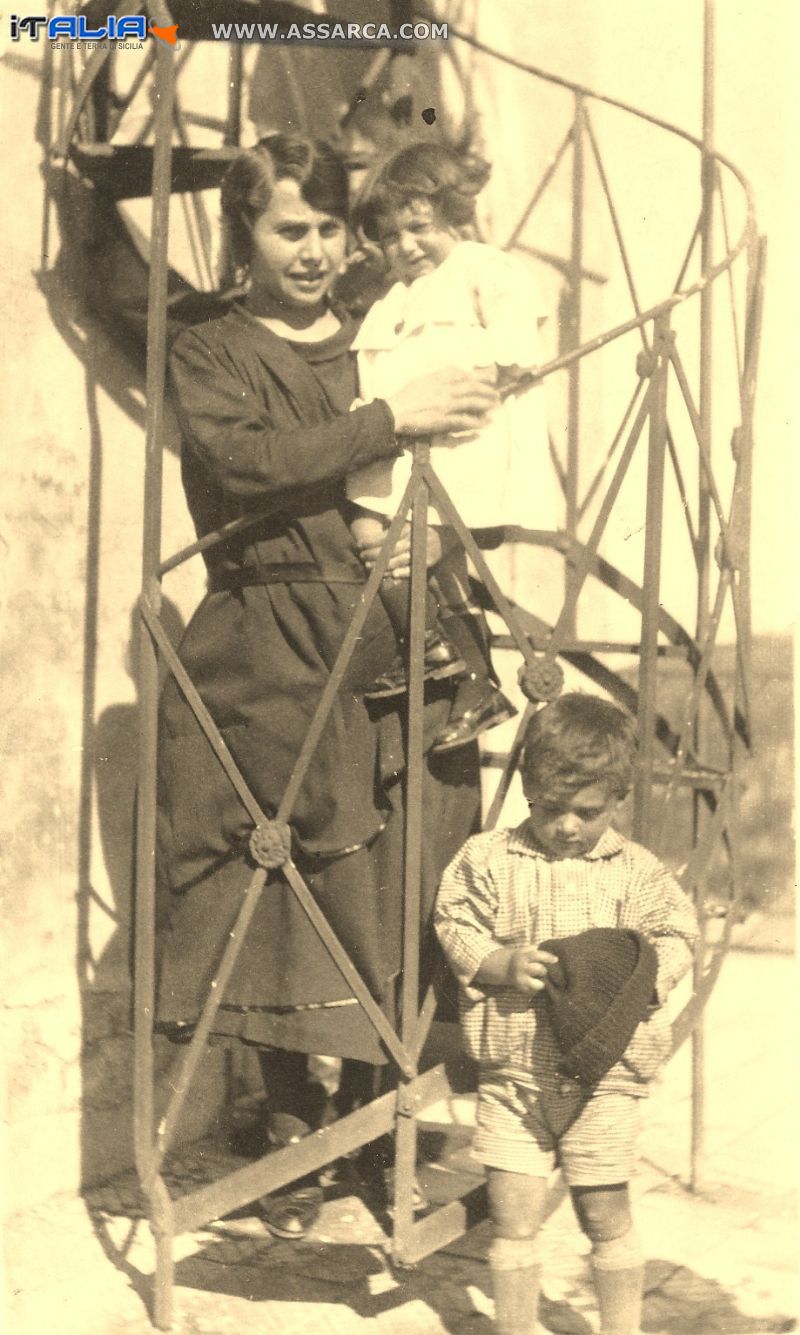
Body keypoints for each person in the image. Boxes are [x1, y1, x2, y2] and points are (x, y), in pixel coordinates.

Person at [155, 133, 494, 1238]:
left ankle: (379, 1113)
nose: (311, 252)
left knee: (405, 856)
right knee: (284, 861)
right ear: (241, 237)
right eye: (285, 229)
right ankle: (290, 1118)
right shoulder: (205, 347)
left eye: (327, 229)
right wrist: (391, 418)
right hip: (267, 627)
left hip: (395, 625)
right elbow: (245, 463)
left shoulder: (377, 337)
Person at [435, 694, 698, 1335]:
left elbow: (677, 935)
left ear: (618, 800)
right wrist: (497, 964)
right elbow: (454, 917)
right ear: (528, 789)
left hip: (603, 1080)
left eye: (587, 812)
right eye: (551, 809)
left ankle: (620, 1327)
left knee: (604, 1212)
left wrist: (638, 983)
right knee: (513, 1216)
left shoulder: (637, 873)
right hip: (514, 1076)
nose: (568, 827)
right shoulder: (489, 858)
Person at [345, 141, 561, 753]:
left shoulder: (485, 270)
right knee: (370, 533)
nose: (406, 247)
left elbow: (516, 352)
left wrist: (467, 399)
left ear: (454, 216)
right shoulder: (394, 298)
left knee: (419, 555)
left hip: (465, 444)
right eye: (389, 237)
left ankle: (466, 674)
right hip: (404, 448)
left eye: (420, 227)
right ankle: (433, 651)